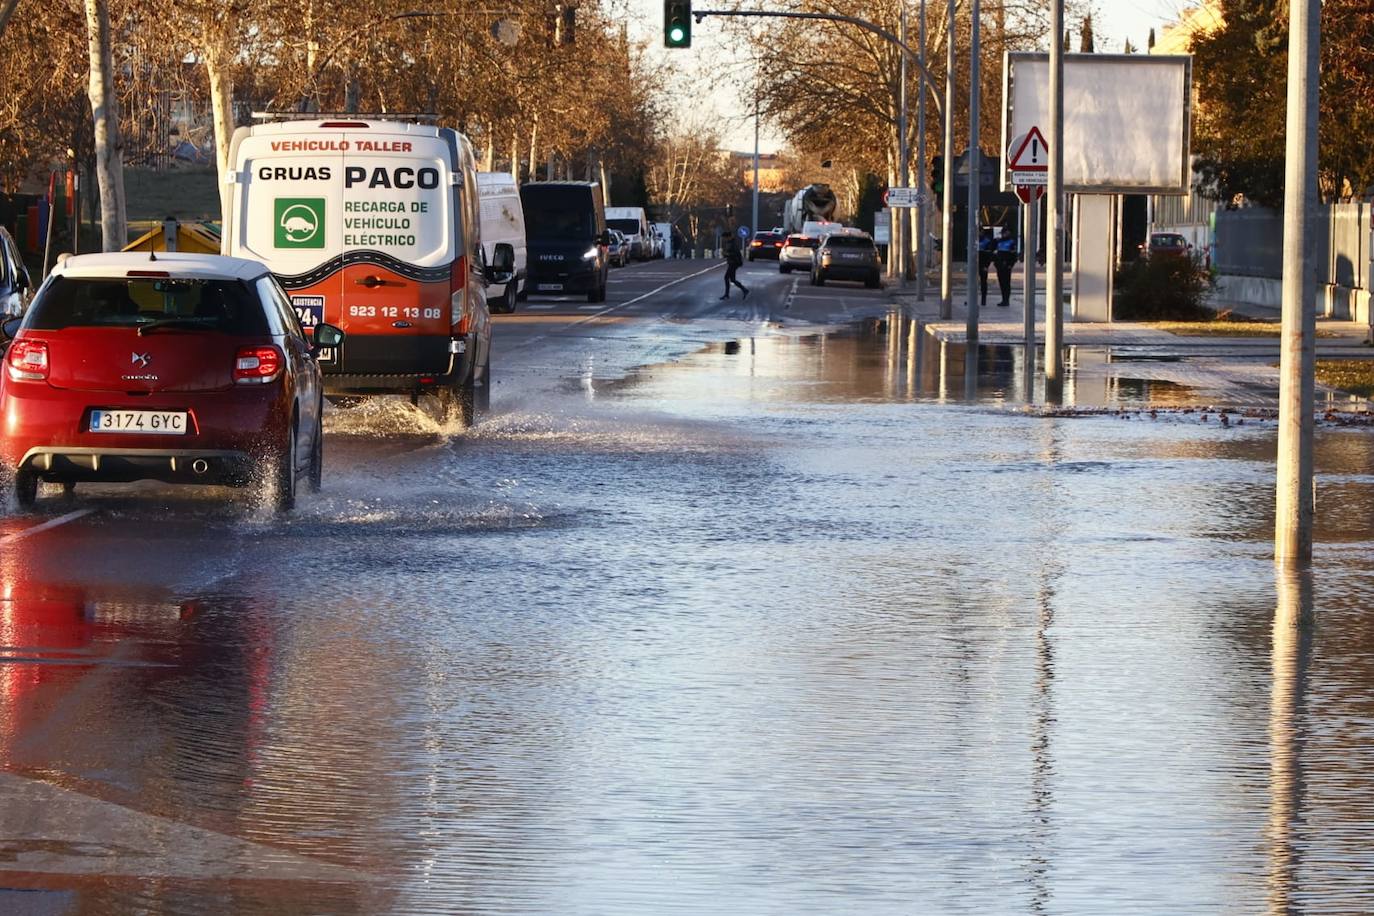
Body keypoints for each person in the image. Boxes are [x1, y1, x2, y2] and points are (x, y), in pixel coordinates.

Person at [720, 228, 748, 300]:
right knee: (732, 279)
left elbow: (735, 253)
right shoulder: (730, 243)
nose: (724, 239)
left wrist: (727, 254)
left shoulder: (732, 243)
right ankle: (744, 290)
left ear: (728, 237)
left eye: (724, 238)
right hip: (732, 262)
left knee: (727, 277)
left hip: (734, 262)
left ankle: (727, 294)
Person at [993, 231, 1018, 308]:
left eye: (1005, 233)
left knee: (1006, 283)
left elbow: (1014, 256)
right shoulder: (999, 242)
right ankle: (1003, 299)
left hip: (1007, 266)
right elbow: (995, 253)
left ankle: (1006, 300)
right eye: (1003, 233)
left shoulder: (1011, 242)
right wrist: (996, 264)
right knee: (1001, 283)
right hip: (999, 266)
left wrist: (1010, 265)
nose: (1003, 234)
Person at [976, 226, 996, 307]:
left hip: (983, 264)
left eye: (979, 231)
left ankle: (983, 300)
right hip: (975, 265)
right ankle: (971, 299)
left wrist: (986, 266)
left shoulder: (987, 241)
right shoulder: (974, 240)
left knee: (983, 282)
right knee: (972, 283)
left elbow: (989, 255)